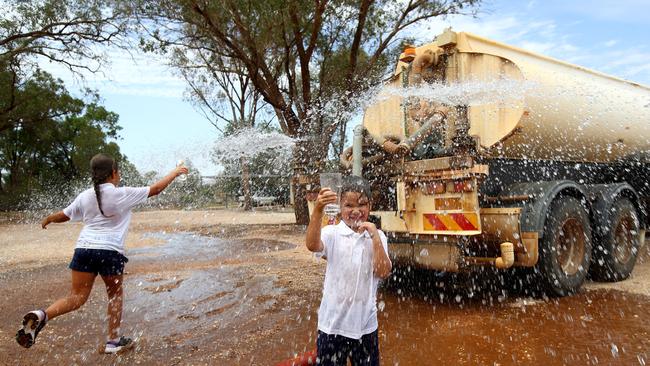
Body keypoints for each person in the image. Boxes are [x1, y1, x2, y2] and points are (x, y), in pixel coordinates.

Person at [15, 153, 188, 354]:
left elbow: (65, 215)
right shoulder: (121, 193)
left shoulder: (84, 195)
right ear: (113, 173)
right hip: (110, 252)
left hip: (84, 249)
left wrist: (49, 218)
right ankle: (113, 342)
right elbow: (156, 189)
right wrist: (175, 172)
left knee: (76, 297)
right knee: (115, 296)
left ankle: (43, 314)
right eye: (118, 171)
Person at [306, 176, 392, 365]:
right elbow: (312, 245)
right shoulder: (332, 233)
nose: (355, 211)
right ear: (340, 207)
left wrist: (375, 236)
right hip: (332, 326)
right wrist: (318, 209)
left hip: (365, 327)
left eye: (362, 205)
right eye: (348, 205)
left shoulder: (379, 237)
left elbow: (383, 271)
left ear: (370, 205)